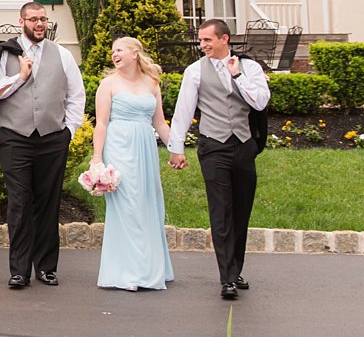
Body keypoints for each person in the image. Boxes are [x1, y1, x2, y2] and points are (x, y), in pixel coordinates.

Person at [0, 2, 85, 290]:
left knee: (48, 204)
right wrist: (20, 78)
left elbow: (76, 95)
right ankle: (19, 271)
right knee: (19, 203)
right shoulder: (5, 54)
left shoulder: (61, 54)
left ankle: (47, 268)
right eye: (33, 19)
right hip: (15, 137)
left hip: (53, 138)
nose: (39, 24)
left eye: (43, 19)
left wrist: (69, 131)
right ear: (21, 21)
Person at [168, 18, 271, 300]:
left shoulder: (249, 67)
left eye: (207, 40)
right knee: (221, 211)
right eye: (200, 40)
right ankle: (227, 278)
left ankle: (235, 269)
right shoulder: (195, 71)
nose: (202, 45)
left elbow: (261, 102)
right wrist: (176, 148)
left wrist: (237, 76)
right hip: (213, 146)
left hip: (243, 146)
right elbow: (184, 110)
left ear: (224, 39)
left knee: (241, 210)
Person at [92, 37, 174, 292]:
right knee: (127, 206)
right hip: (119, 147)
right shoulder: (108, 85)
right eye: (112, 51)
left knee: (147, 204)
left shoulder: (152, 83)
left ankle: (151, 267)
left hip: (145, 149)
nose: (114, 55)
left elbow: (159, 123)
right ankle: (129, 272)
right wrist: (97, 159)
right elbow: (101, 124)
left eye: (119, 50)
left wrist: (176, 149)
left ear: (135, 53)